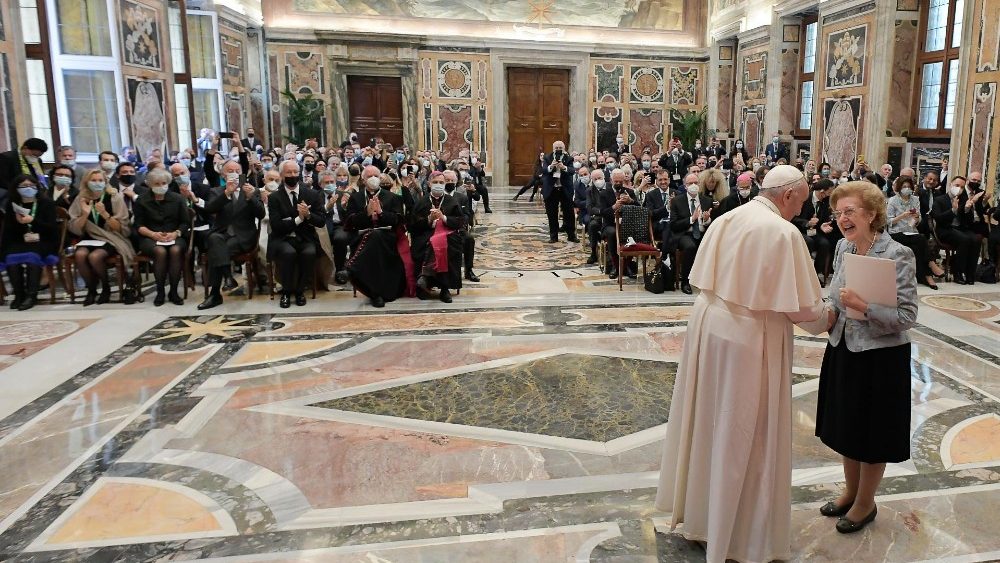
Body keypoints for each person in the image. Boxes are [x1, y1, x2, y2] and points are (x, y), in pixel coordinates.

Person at [655, 165, 826, 563]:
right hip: (750, 338)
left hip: (710, 326)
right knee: (745, 431)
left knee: (710, 424)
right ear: (787, 196)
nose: (800, 210)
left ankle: (704, 517)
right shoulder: (783, 233)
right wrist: (830, 317)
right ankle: (742, 535)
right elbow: (804, 308)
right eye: (800, 202)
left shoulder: (728, 216)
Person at [815, 180, 917, 534]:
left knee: (872, 433)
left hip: (880, 357)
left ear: (872, 214)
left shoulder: (898, 254)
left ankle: (865, 503)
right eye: (838, 212)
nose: (842, 218)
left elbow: (906, 317)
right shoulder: (844, 247)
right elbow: (834, 298)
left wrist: (865, 307)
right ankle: (851, 491)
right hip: (844, 348)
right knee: (847, 426)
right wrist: (820, 314)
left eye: (850, 211)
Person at [198, 169, 266, 310]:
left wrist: (250, 197)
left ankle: (215, 293)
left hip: (244, 236)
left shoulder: (251, 190)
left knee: (216, 249)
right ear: (223, 175)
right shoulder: (216, 191)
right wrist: (227, 193)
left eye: (237, 170)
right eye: (230, 171)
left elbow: (261, 214)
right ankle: (227, 277)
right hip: (222, 233)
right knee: (215, 240)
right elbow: (210, 208)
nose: (234, 173)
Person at [345, 169, 410, 308]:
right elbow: (350, 222)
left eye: (376, 175)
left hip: (387, 239)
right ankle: (376, 294)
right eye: (369, 176)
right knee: (374, 238)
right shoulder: (356, 198)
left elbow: (398, 220)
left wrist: (381, 213)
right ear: (363, 179)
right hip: (362, 237)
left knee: (377, 235)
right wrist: (366, 213)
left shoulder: (392, 197)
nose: (373, 178)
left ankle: (352, 268)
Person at [68, 170, 134, 305]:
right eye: (93, 180)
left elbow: (122, 228)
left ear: (105, 182)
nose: (97, 183)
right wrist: (85, 214)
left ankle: (105, 288)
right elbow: (74, 228)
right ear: (86, 182)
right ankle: (91, 290)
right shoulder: (80, 198)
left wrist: (104, 213)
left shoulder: (114, 197)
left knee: (95, 257)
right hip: (88, 237)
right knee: (80, 255)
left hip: (110, 238)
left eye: (100, 180)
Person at [268, 160, 327, 307]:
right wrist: (298, 219)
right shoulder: (275, 197)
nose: (293, 175)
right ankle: (286, 292)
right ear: (282, 175)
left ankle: (300, 291)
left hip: (306, 238)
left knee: (309, 253)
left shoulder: (312, 194)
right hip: (283, 238)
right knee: (288, 253)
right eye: (289, 172)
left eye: (295, 172)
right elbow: (276, 226)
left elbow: (321, 221)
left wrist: (308, 216)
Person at [133, 168, 189, 306]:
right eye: (157, 184)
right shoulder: (142, 200)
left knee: (175, 251)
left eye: (163, 183)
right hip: (149, 237)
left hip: (174, 235)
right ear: (150, 185)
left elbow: (185, 222)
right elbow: (138, 225)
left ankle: (174, 291)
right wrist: (153, 234)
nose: (161, 186)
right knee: (160, 251)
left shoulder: (178, 198)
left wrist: (175, 233)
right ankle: (160, 291)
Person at [0, 175, 58, 310]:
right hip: (19, 240)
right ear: (16, 189)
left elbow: (51, 229)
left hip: (42, 240)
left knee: (32, 256)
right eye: (24, 186)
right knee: (11, 258)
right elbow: (9, 230)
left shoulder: (46, 203)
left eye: (32, 186)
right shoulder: (12, 204)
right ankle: (19, 294)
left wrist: (33, 221)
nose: (28, 189)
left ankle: (32, 295)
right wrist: (18, 223)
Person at [410, 175, 465, 303]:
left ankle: (442, 287)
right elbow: (413, 225)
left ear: (445, 184)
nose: (438, 184)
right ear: (429, 184)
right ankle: (426, 282)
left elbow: (460, 221)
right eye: (435, 182)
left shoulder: (451, 201)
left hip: (448, 233)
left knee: (445, 244)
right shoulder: (421, 201)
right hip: (426, 233)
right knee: (431, 242)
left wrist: (444, 218)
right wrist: (429, 220)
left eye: (441, 182)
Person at [887, 177, 938, 289]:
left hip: (911, 232)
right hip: (896, 232)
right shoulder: (893, 200)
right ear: (899, 188)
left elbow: (918, 220)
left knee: (917, 247)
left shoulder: (915, 199)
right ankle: (931, 264)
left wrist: (917, 218)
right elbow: (888, 221)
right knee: (921, 238)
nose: (907, 189)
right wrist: (901, 216)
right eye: (904, 187)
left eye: (909, 187)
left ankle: (924, 276)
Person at [669, 173, 713, 294]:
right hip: (684, 234)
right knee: (690, 247)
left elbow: (712, 223)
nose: (693, 185)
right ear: (685, 185)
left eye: (695, 183)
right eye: (690, 183)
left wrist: (706, 220)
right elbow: (674, 225)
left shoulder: (707, 200)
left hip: (703, 233)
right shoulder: (677, 201)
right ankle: (685, 282)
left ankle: (710, 281)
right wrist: (691, 219)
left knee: (716, 245)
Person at [932, 176, 980, 284]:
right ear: (951, 185)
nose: (959, 189)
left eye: (962, 187)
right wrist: (953, 210)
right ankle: (957, 273)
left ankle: (970, 275)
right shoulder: (940, 199)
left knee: (976, 239)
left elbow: (969, 220)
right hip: (945, 229)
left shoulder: (964, 199)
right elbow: (938, 218)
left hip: (961, 228)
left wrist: (967, 209)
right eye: (957, 185)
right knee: (964, 239)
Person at [598, 169, 638, 280]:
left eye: (620, 181)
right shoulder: (604, 194)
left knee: (632, 233)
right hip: (610, 224)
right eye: (616, 181)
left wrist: (631, 201)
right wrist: (614, 207)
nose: (618, 184)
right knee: (612, 233)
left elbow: (639, 208)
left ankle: (627, 265)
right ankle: (615, 266)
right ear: (611, 180)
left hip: (626, 223)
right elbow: (602, 212)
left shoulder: (629, 192)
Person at [542, 141, 578, 243]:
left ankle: (571, 235)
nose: (558, 149)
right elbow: (544, 169)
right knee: (552, 214)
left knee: (569, 214)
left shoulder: (569, 158)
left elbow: (572, 171)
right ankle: (553, 236)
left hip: (564, 188)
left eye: (560, 147)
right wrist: (551, 167)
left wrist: (564, 167)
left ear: (564, 148)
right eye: (556, 147)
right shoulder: (547, 157)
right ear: (553, 148)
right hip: (551, 189)